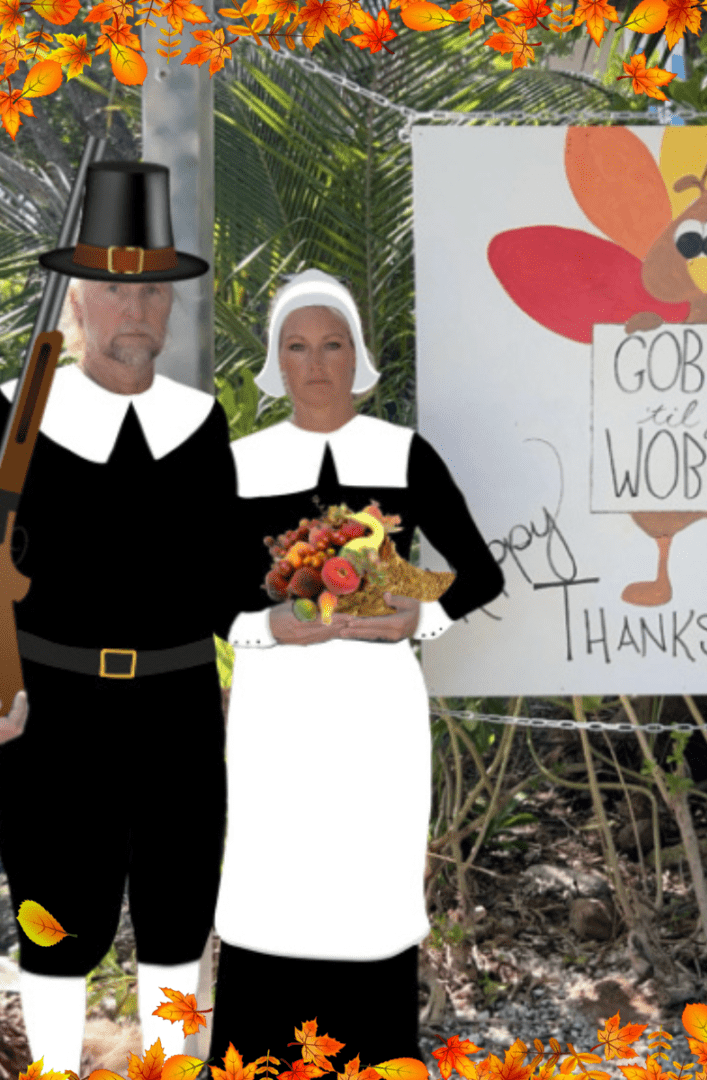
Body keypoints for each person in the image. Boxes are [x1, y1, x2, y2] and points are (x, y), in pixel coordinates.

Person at [0, 161, 231, 1076]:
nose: (131, 310)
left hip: (180, 707)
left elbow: (225, 581)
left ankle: (172, 1069)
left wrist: (308, 610)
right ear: (78, 301)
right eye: (109, 288)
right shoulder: (12, 414)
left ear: (170, 305)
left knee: (179, 920)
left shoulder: (201, 422)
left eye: (148, 291)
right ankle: (56, 1071)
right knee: (55, 925)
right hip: (51, 713)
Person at [211, 269, 505, 1066]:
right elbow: (207, 600)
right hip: (277, 709)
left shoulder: (403, 453)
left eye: (332, 343)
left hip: (377, 707)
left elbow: (478, 573)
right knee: (275, 876)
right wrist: (273, 628)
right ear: (277, 360)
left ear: (356, 355)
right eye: (297, 346)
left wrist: (422, 614)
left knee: (369, 881)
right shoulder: (237, 462)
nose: (316, 362)